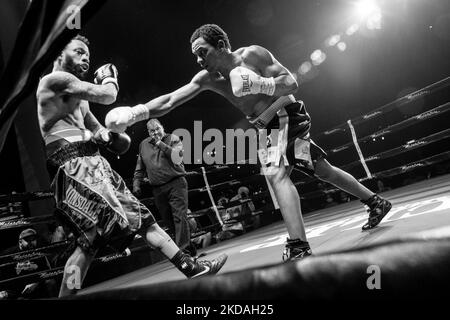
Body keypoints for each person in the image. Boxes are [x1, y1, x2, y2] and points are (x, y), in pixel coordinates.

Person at [105, 24, 392, 261]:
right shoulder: (208, 78)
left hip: (283, 114)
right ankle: (375, 201)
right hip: (268, 125)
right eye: (195, 55)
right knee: (321, 169)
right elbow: (170, 99)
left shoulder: (253, 55)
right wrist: (136, 112)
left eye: (202, 52)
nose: (198, 59)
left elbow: (291, 83)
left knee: (276, 173)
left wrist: (260, 83)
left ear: (221, 45)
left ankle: (298, 245)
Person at [36, 35, 227, 297]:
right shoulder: (55, 81)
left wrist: (110, 136)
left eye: (87, 55)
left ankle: (191, 267)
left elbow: (97, 129)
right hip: (71, 165)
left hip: (95, 162)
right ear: (59, 54)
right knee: (88, 241)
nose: (85, 58)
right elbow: (108, 95)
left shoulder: (79, 94)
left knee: (142, 218)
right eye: (79, 52)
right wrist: (109, 79)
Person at [133, 119, 196, 256]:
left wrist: (160, 144)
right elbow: (140, 166)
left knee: (180, 217)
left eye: (157, 129)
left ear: (162, 127)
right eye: (152, 131)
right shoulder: (143, 145)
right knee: (168, 220)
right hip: (158, 189)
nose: (155, 133)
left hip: (176, 183)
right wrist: (136, 183)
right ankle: (189, 249)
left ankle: (183, 252)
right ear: (148, 132)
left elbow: (177, 157)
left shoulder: (173, 138)